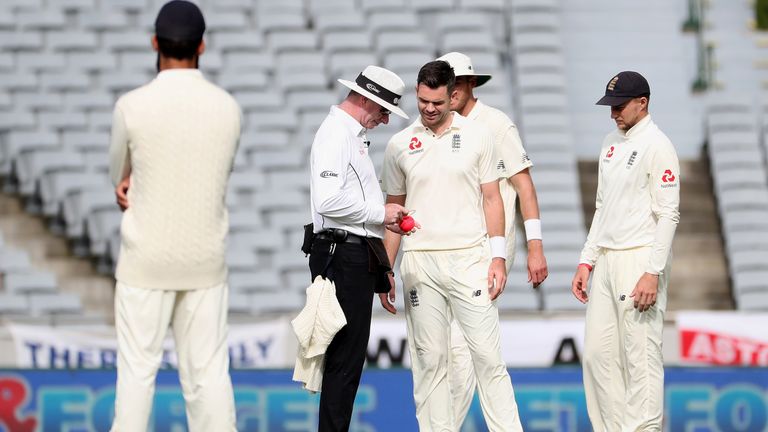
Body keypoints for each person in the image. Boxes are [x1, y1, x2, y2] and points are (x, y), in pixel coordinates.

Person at [108, 1, 241, 430]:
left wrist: (127, 184)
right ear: (201, 46)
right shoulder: (227, 107)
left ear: (155, 44)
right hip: (204, 259)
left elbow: (119, 175)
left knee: (136, 375)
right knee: (207, 378)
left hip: (144, 260)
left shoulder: (132, 105)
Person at [380, 60, 523, 431]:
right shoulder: (398, 145)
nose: (429, 109)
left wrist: (498, 259)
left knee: (488, 359)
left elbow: (493, 199)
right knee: (430, 360)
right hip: (419, 263)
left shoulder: (478, 135)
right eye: (423, 101)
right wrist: (385, 268)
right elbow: (393, 213)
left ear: (451, 95)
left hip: (469, 259)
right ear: (417, 92)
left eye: (437, 103)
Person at [436, 51, 549, 428]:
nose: (451, 91)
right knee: (451, 345)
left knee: (467, 344)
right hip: (451, 245)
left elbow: (524, 187)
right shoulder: (440, 126)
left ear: (470, 84)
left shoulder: (495, 124)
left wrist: (535, 246)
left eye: (457, 83)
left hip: (490, 245)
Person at [571, 71, 680, 431]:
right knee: (597, 356)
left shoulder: (658, 145)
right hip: (606, 258)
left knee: (641, 358)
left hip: (639, 258)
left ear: (642, 103)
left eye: (619, 107)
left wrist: (653, 270)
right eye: (610, 106)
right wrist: (587, 259)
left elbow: (668, 214)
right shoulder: (609, 143)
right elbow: (603, 207)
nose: (613, 113)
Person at [308, 65, 412, 431]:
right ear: (367, 99)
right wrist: (381, 213)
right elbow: (328, 201)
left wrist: (382, 267)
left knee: (347, 360)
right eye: (384, 110)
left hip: (354, 253)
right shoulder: (336, 135)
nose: (385, 120)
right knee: (344, 361)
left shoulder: (349, 136)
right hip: (342, 254)